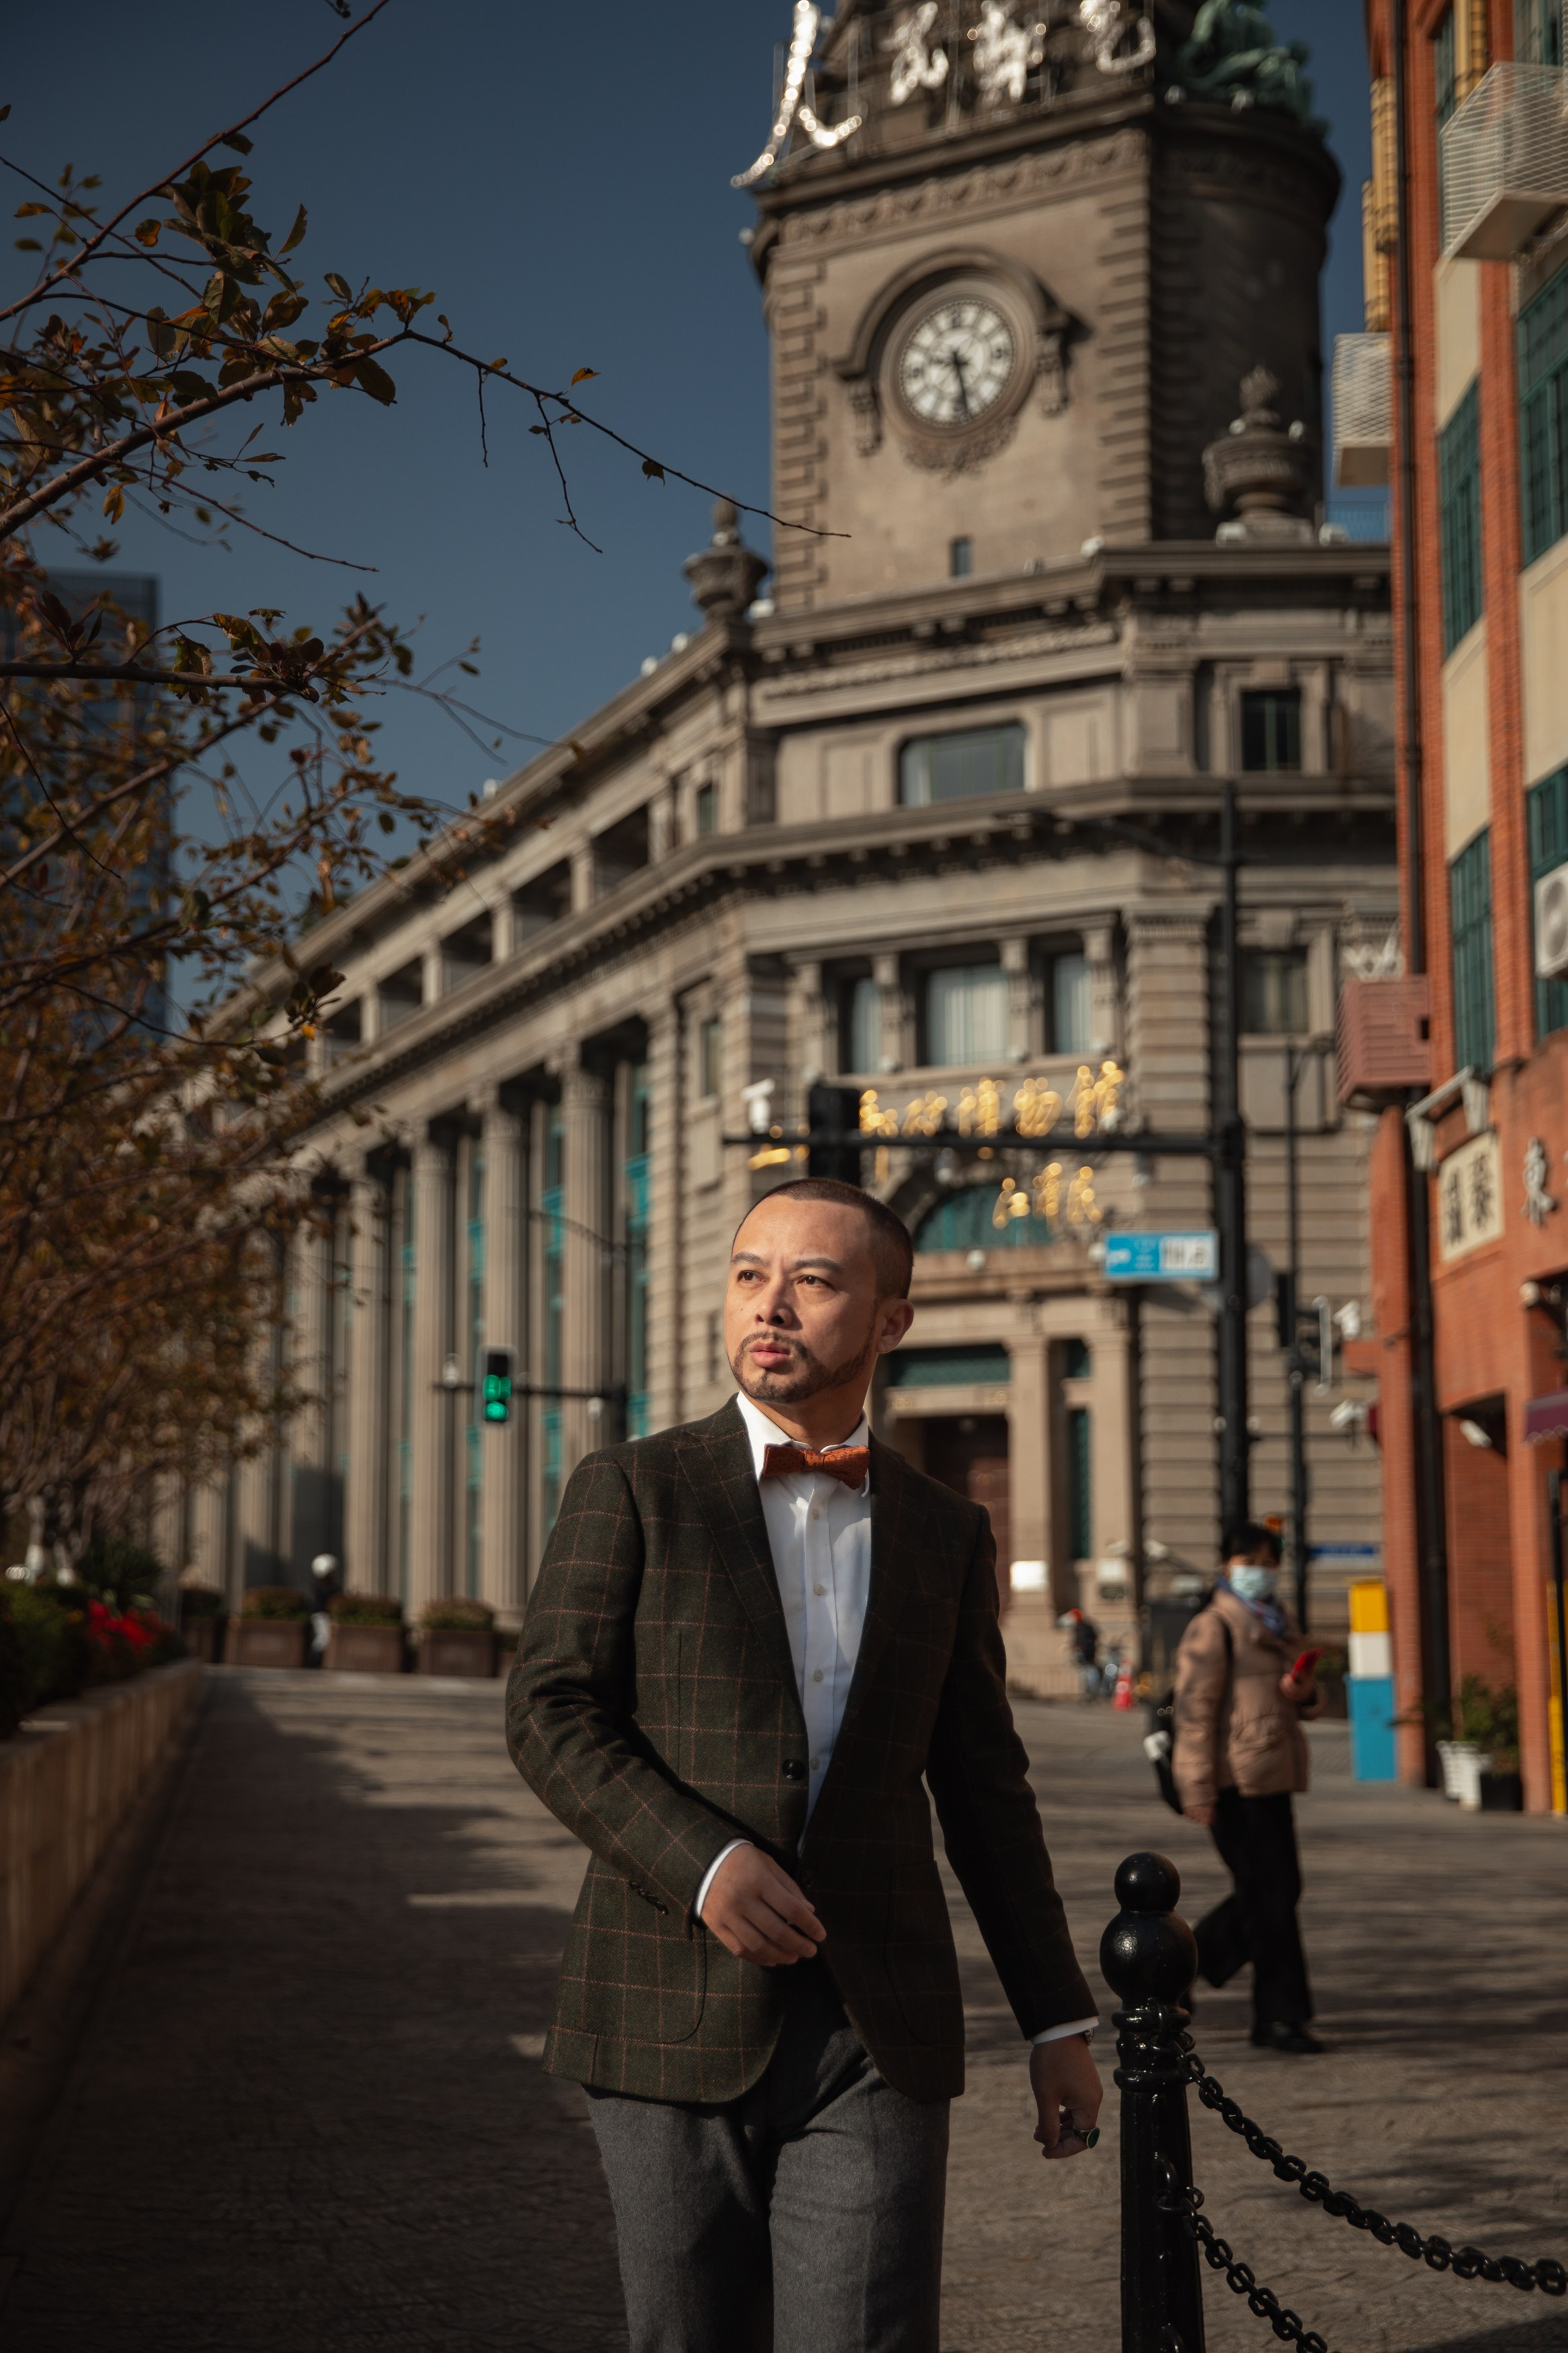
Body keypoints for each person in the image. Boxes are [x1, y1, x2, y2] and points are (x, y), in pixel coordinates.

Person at [508, 1176, 1102, 2353]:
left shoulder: (945, 1532)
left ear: (888, 1322)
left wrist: (1054, 2022)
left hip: (874, 2028)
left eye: (813, 1281)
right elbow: (550, 1712)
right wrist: (704, 1864)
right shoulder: (632, 1488)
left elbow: (984, 1792)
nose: (768, 1307)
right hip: (662, 2011)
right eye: (748, 1276)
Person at [1171, 1523, 1323, 2055]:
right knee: (1270, 1896)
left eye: (1267, 1559)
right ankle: (1279, 2018)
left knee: (1277, 1892)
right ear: (1226, 1564)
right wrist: (1196, 1787)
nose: (1261, 1569)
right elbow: (1193, 1713)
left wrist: (1301, 1693)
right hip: (1234, 1779)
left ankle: (1176, 1966)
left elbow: (1303, 1701)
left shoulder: (1278, 1622)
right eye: (1250, 1558)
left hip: (1273, 1773)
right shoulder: (1214, 1626)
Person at [1059, 1603, 1101, 1698]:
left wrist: (1083, 1648)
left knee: (1090, 1672)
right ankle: (1087, 1692)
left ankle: (1092, 1691)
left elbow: (1089, 1640)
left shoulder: (1085, 1628)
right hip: (1082, 1654)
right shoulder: (1078, 1628)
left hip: (1087, 1654)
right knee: (1083, 1674)